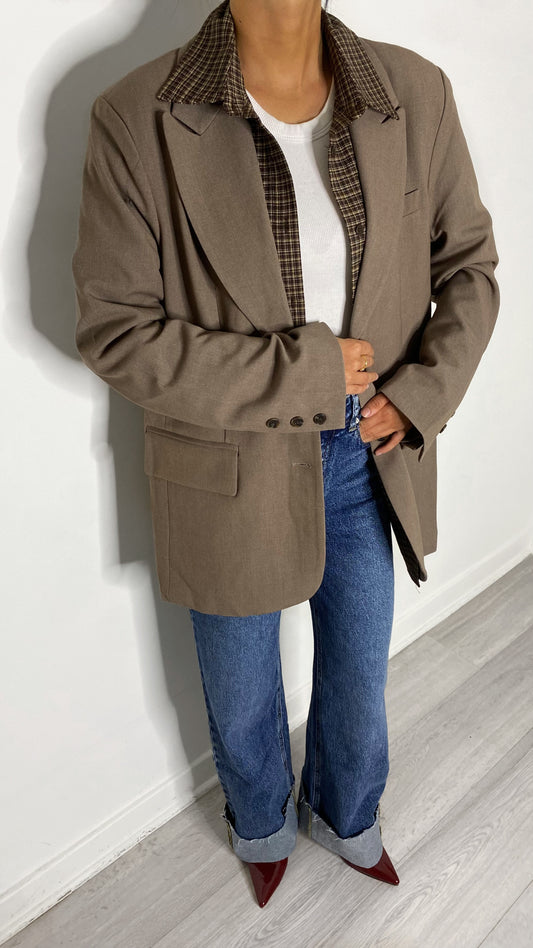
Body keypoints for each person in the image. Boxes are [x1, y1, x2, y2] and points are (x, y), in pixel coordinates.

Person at [72, 0, 499, 909]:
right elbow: (117, 332)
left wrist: (418, 396)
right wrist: (303, 375)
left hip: (369, 450)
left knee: (359, 672)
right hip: (226, 458)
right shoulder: (136, 114)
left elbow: (468, 267)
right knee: (240, 684)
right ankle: (260, 824)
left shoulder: (413, 92)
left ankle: (347, 816)